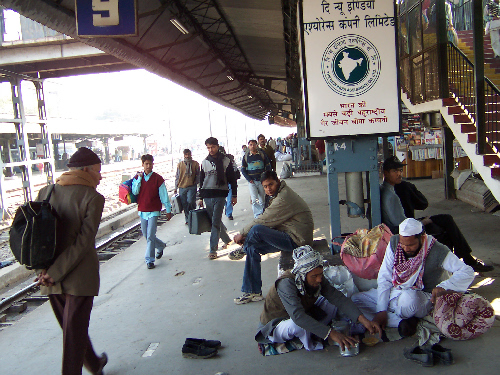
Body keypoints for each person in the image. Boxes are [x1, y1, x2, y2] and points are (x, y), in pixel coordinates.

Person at [34, 147, 108, 375]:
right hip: (78, 280)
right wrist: (54, 272)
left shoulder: (46, 192)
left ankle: (94, 365)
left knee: (72, 331)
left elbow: (34, 237)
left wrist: (44, 271)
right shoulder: (93, 198)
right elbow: (83, 243)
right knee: (73, 336)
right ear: (85, 170)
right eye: (97, 171)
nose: (100, 176)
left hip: (50, 280)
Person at [352, 218, 475, 337]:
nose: (406, 248)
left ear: (422, 238)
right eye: (403, 244)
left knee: (409, 299)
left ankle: (396, 317)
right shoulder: (395, 243)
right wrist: (381, 310)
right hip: (396, 291)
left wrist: (443, 287)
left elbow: (467, 271)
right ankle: (401, 322)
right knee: (355, 300)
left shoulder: (437, 250)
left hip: (421, 297)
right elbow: (385, 277)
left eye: (411, 245)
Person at [256, 246, 382, 351]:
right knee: (297, 324)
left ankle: (316, 331)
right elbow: (298, 316)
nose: (319, 279)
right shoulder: (286, 283)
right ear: (303, 274)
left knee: (334, 300)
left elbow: (337, 298)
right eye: (314, 276)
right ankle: (313, 341)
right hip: (276, 325)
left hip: (304, 314)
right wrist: (331, 334)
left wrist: (363, 320)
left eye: (320, 274)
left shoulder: (317, 277)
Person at [380, 156, 493, 272]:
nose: (399, 174)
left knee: (446, 220)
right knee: (446, 225)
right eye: (395, 171)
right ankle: (467, 261)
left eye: (400, 171)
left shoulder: (388, 190)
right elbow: (403, 226)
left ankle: (465, 260)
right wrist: (423, 221)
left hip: (404, 226)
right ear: (386, 173)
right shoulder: (391, 196)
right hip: (402, 231)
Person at [230, 170, 314, 304]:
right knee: (253, 248)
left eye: (271, 185)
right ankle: (253, 292)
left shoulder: (284, 197)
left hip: (297, 240)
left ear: (278, 181)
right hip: (288, 234)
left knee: (257, 230)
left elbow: (264, 220)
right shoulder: (278, 194)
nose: (268, 189)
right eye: (265, 186)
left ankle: (244, 248)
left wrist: (242, 233)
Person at [198, 137, 238, 259]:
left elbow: (232, 179)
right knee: (215, 220)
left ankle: (212, 249)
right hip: (207, 196)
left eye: (213, 147)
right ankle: (226, 239)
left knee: (215, 221)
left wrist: (234, 195)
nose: (211, 150)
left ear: (217, 146)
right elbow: (201, 180)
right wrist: (200, 197)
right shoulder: (204, 162)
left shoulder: (226, 161)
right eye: (208, 148)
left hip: (221, 194)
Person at [132, 154, 172, 269]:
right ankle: (160, 246)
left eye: (150, 164)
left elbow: (164, 195)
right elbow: (135, 192)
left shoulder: (158, 179)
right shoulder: (137, 177)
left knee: (150, 235)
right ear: (142, 165)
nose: (148, 166)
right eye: (146, 164)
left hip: (154, 210)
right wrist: (139, 179)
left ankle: (149, 260)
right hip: (142, 210)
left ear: (153, 164)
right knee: (146, 235)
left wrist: (168, 209)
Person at [241, 139, 272, 218]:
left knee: (262, 200)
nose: (252, 146)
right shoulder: (246, 156)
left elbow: (268, 166)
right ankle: (257, 216)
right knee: (254, 200)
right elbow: (243, 169)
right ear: (248, 146)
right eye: (250, 145)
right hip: (252, 182)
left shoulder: (262, 154)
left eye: (254, 144)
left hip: (262, 181)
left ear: (256, 145)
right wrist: (248, 179)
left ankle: (263, 215)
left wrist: (266, 177)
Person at [174, 149, 200, 225]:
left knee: (191, 201)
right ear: (184, 155)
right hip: (182, 187)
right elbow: (177, 176)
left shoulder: (195, 164)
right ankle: (188, 219)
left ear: (191, 154)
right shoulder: (180, 165)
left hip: (192, 186)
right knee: (184, 204)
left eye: (188, 154)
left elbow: (199, 175)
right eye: (186, 155)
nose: (187, 156)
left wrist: (197, 183)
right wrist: (175, 187)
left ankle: (192, 216)